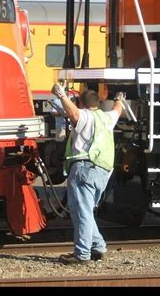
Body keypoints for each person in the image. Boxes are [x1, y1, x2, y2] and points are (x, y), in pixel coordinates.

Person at [51, 82, 124, 265]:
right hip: (102, 172)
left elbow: (74, 113)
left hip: (84, 169)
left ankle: (82, 254)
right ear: (98, 104)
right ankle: (98, 246)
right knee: (87, 211)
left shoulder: (85, 116)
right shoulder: (107, 118)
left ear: (82, 104)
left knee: (81, 212)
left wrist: (61, 95)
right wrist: (118, 98)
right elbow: (117, 109)